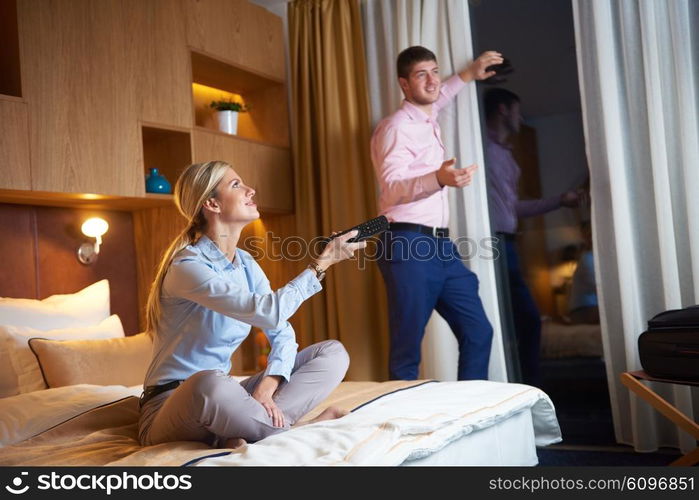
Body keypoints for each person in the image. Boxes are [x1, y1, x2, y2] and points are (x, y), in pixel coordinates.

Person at [138, 161, 366, 449]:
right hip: (173, 403)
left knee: (332, 354)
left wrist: (267, 388)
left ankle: (249, 428)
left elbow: (280, 331)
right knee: (208, 383)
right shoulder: (187, 266)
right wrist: (321, 264)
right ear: (212, 203)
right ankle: (301, 428)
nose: (250, 190)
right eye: (236, 185)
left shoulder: (245, 263)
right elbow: (268, 311)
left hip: (228, 395)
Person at [371, 46, 502, 381]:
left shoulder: (426, 116)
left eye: (435, 72)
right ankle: (406, 429)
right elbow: (391, 187)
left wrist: (468, 74)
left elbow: (439, 95)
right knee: (407, 350)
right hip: (406, 242)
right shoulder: (395, 127)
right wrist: (437, 179)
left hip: (440, 246)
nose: (432, 81)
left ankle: (468, 417)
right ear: (404, 84)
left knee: (479, 332)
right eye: (421, 75)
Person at [483, 87, 582, 386]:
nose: (520, 117)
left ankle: (525, 386)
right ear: (502, 110)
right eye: (517, 110)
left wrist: (559, 200)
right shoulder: (481, 149)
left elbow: (512, 208)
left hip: (508, 243)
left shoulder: (505, 157)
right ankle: (525, 387)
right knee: (521, 319)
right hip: (491, 243)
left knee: (523, 320)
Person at [568, 220, 599, 324]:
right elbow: (598, 288)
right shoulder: (587, 259)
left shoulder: (595, 258)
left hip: (590, 308)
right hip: (582, 311)